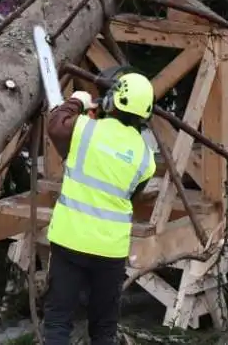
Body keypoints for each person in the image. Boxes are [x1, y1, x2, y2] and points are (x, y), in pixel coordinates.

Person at [43, 71, 157, 345]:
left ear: (111, 102)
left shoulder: (85, 128)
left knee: (58, 321)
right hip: (111, 250)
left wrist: (77, 101)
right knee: (104, 328)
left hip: (70, 240)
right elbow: (131, 195)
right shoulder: (146, 159)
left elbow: (56, 125)